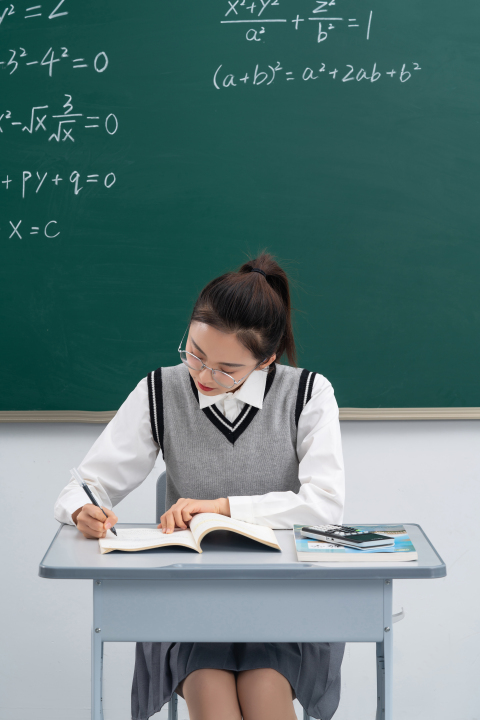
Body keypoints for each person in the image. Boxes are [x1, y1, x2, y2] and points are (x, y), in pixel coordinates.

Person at [54, 253, 346, 720]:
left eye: (227, 368)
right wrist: (82, 509)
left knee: (264, 693)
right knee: (211, 695)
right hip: (187, 600)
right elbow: (87, 483)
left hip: (284, 602)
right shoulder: (159, 390)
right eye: (194, 353)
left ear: (267, 358)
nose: (203, 377)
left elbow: (324, 506)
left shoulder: (308, 394)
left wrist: (221, 508)